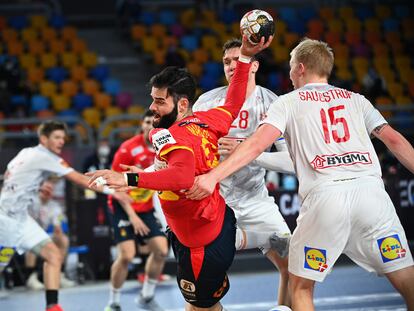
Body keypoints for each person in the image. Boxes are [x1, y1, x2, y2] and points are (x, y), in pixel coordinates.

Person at [185, 38, 414, 311]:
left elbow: (258, 145)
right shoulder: (357, 99)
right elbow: (396, 141)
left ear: (301, 68)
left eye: (292, 67)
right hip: (372, 194)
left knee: (301, 286)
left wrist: (214, 174)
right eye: (227, 61)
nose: (290, 74)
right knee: (406, 278)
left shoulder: (285, 102)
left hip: (320, 197)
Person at [86, 35, 272, 311]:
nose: (152, 108)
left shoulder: (170, 135)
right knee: (202, 306)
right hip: (211, 223)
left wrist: (128, 178)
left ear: (182, 104)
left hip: (201, 243)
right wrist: (244, 58)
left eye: (160, 102)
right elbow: (234, 100)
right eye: (153, 100)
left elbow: (182, 176)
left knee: (200, 308)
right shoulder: (208, 120)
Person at [192, 38, 294, 307]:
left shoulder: (274, 104)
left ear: (254, 65)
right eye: (226, 62)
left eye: (238, 60)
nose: (231, 66)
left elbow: (291, 162)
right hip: (217, 202)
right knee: (203, 281)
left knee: (294, 266)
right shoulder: (206, 102)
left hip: (256, 201)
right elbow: (190, 152)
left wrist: (249, 152)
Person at [0, 120, 131, 311]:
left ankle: (52, 307)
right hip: (6, 220)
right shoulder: (46, 157)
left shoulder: (26, 152)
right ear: (44, 139)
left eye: (63, 138)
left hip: (21, 218)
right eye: (56, 137)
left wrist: (33, 186)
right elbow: (79, 179)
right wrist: (113, 191)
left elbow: (10, 177)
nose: (61, 141)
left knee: (53, 255)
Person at [105, 110, 169, 311]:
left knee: (161, 250)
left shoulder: (163, 148)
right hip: (122, 206)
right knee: (126, 255)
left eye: (155, 121)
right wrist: (132, 216)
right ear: (142, 124)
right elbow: (114, 184)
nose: (151, 125)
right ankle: (113, 302)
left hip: (146, 207)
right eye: (147, 121)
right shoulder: (128, 149)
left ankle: (146, 297)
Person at [26, 178, 75, 290]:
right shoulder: (31, 202)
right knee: (32, 241)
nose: (48, 192)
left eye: (50, 190)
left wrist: (58, 232)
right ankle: (31, 277)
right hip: (25, 235)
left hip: (44, 235)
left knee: (63, 240)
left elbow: (57, 225)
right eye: (45, 190)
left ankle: (60, 275)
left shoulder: (55, 206)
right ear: (39, 190)